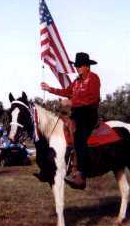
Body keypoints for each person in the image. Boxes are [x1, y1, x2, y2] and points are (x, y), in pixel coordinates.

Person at [41, 52, 101, 189]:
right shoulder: (77, 81)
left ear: (87, 66)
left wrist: (71, 102)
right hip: (77, 114)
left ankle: (81, 174)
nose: (77, 68)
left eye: (80, 66)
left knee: (79, 137)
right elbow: (67, 91)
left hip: (88, 115)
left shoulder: (93, 78)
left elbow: (93, 99)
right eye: (76, 66)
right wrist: (50, 89)